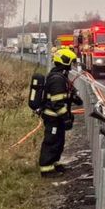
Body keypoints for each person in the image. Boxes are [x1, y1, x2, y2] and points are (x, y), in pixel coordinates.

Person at [37, 47, 83, 176]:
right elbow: (57, 102)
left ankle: (54, 163)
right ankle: (46, 169)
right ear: (65, 61)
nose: (72, 65)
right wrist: (66, 118)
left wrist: (73, 96)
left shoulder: (61, 76)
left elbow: (64, 95)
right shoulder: (57, 79)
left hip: (58, 117)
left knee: (59, 141)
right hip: (53, 117)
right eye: (71, 62)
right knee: (51, 141)